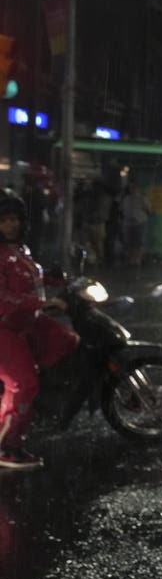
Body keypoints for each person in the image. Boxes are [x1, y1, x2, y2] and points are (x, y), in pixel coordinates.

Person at [0, 194, 79, 469]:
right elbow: (4, 296)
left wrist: (60, 280)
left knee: (66, 341)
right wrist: (41, 303)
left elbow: (34, 280)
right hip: (4, 328)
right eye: (5, 220)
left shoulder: (20, 250)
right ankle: (7, 446)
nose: (10, 225)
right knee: (23, 383)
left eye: (14, 219)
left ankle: (39, 410)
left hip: (24, 323)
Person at [120, 182, 151, 267]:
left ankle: (137, 259)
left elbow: (148, 209)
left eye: (133, 187)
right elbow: (122, 210)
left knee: (138, 242)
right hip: (129, 223)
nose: (131, 189)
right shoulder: (126, 198)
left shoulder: (142, 198)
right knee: (129, 242)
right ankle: (131, 259)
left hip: (139, 223)